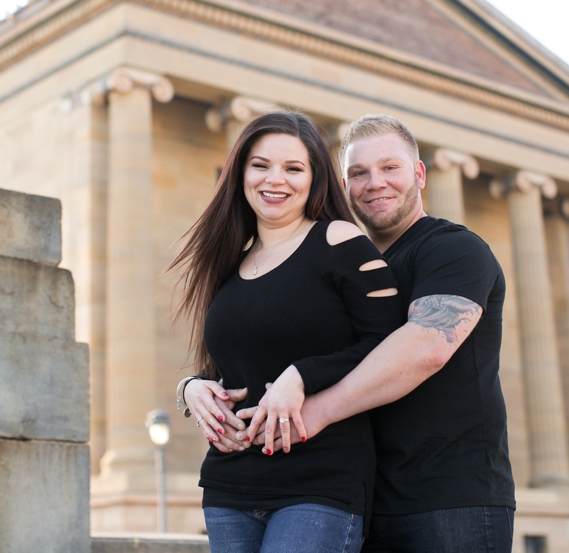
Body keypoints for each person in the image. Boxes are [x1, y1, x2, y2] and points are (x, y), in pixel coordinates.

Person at [239, 114, 515, 553]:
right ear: (344, 186)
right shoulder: (346, 267)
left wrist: (316, 413)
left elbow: (426, 349)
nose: (374, 183)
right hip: (359, 502)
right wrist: (192, 386)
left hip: (449, 501)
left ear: (419, 174)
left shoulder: (453, 248)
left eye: (390, 168)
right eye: (358, 173)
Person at [171, 111, 406, 553]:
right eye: (260, 165)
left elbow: (391, 345)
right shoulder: (228, 263)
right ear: (240, 173)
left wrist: (303, 375)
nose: (274, 180)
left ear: (314, 179)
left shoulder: (338, 240)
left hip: (320, 480)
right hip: (230, 485)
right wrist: (191, 389)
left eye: (293, 168)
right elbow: (225, 367)